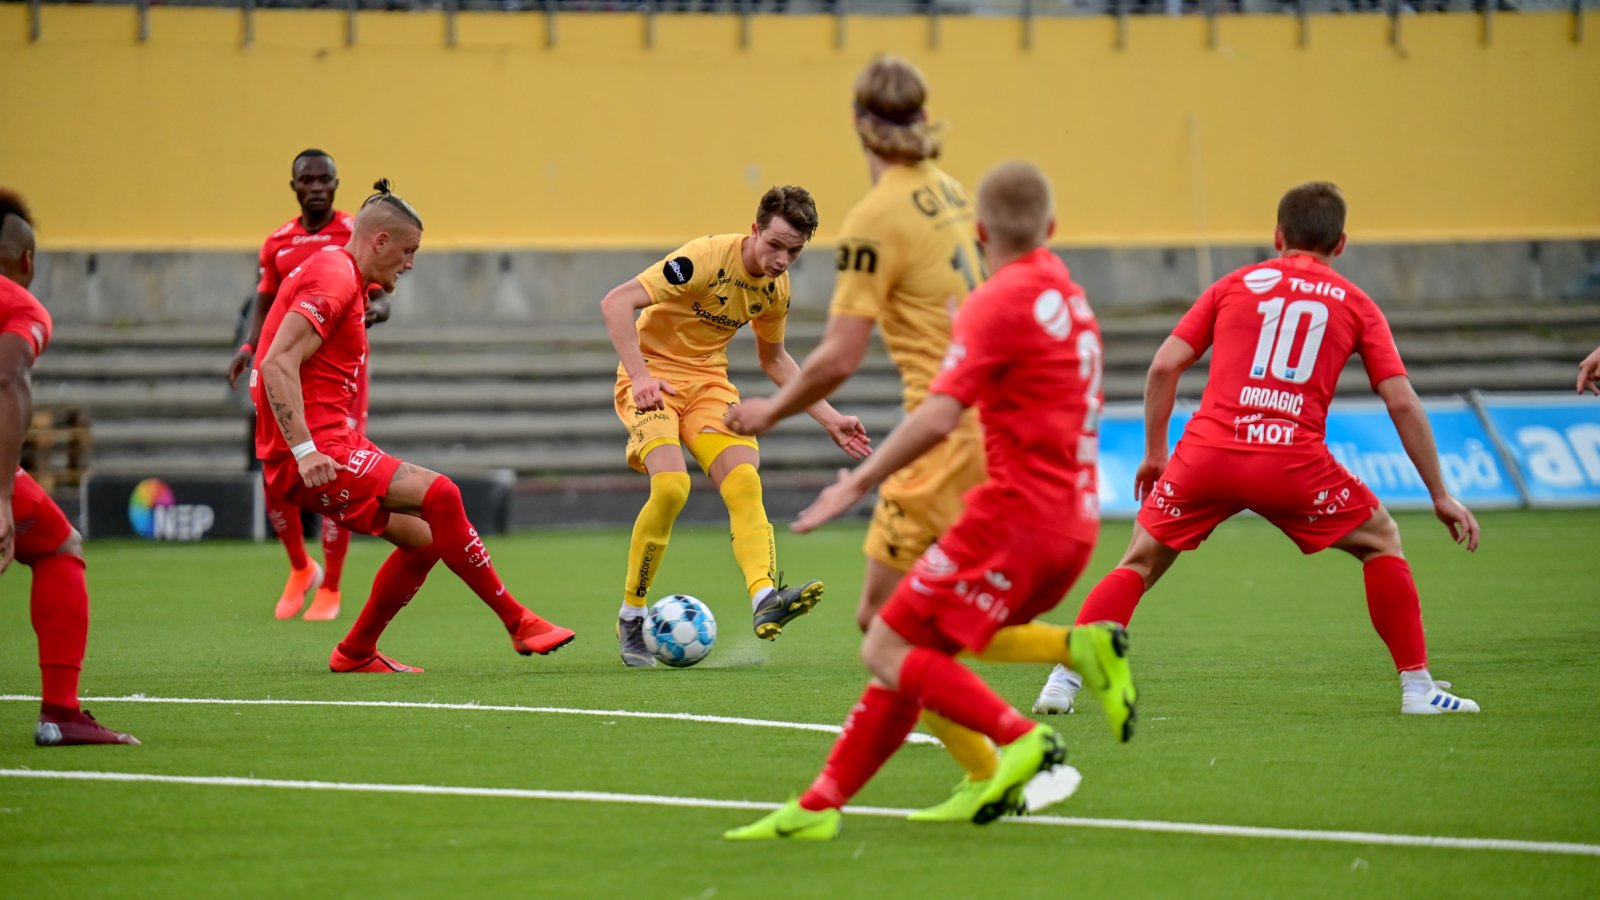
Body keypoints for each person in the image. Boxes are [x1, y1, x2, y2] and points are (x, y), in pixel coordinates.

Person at [725, 162, 1135, 842]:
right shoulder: (1069, 294)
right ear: (1052, 230)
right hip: (1073, 516)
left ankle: (1020, 741)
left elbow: (937, 415)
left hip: (1008, 514)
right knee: (911, 643)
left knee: (889, 638)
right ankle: (821, 804)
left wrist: (856, 480)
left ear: (978, 232)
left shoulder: (992, 303)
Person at [1032, 181, 1482, 718]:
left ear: (1277, 236)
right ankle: (1417, 689)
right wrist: (1440, 493)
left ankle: (1062, 681)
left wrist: (1155, 455)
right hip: (1292, 461)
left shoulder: (1233, 285)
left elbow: (1163, 367)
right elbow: (1402, 402)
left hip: (1209, 454)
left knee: (1140, 561)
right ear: (1340, 244)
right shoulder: (1357, 304)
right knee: (1382, 540)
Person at [724, 56, 1000, 821]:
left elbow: (840, 356)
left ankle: (1011, 749)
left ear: (857, 122)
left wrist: (766, 414)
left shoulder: (875, 218)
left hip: (942, 433)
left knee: (887, 628)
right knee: (905, 623)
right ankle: (972, 771)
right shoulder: (948, 189)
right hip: (980, 417)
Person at [252, 180, 574, 673]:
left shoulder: (346, 280)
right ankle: (518, 622)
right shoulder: (334, 277)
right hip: (317, 452)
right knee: (441, 494)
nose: (410, 263)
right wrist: (304, 450)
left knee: (425, 539)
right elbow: (277, 362)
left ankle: (356, 652)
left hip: (333, 442)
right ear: (379, 241)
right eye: (408, 250)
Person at [601, 186, 869, 667]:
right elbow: (616, 302)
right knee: (671, 489)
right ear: (755, 230)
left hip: (707, 384)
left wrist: (831, 418)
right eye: (775, 245)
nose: (782, 260)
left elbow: (776, 359)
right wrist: (640, 375)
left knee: (745, 481)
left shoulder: (774, 290)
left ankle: (765, 597)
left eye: (794, 251)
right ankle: (632, 616)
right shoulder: (700, 260)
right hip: (653, 377)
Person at [227, 149, 392, 622]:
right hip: (286, 370)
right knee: (277, 466)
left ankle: (333, 585)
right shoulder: (277, 242)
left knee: (334, 467)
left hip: (339, 379)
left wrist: (364, 313)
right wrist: (246, 349)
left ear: (337, 184)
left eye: (325, 180)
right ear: (294, 186)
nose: (316, 187)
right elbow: (264, 303)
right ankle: (301, 567)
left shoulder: (355, 236)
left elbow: (382, 299)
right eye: (308, 180)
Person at [0, 189, 139, 745]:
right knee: (59, 546)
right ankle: (60, 712)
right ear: (28, 262)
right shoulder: (18, 303)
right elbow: (8, 380)